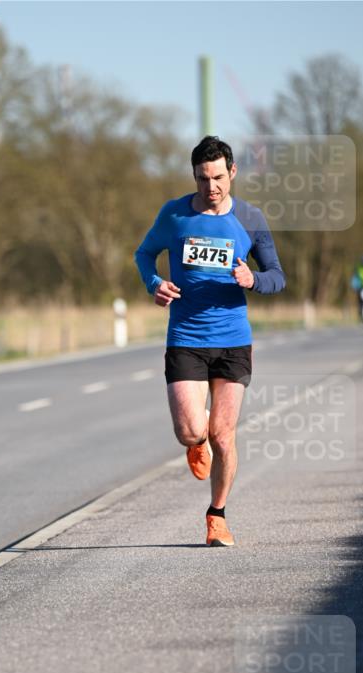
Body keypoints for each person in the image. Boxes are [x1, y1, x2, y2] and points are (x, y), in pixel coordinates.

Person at [134, 135, 286, 547]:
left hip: (234, 341)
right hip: (185, 337)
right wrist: (155, 283)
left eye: (218, 177)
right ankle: (194, 442)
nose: (211, 187)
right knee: (191, 431)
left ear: (232, 172)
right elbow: (144, 254)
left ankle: (216, 516)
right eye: (203, 179)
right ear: (194, 177)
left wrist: (253, 279)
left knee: (224, 434)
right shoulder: (175, 215)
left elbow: (277, 275)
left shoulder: (250, 218)